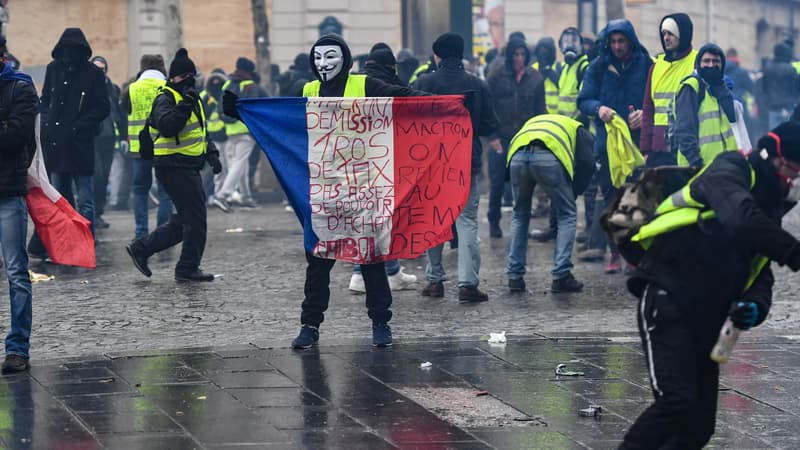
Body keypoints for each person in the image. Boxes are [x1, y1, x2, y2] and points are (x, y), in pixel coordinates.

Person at [224, 34, 427, 349]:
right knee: (318, 262)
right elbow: (279, 115)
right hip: (325, 192)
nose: (323, 65)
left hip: (362, 189)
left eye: (330, 57)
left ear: (344, 59)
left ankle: (380, 324)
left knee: (371, 260)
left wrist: (442, 101)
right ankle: (310, 326)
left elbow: (401, 99)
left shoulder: (364, 85)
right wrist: (240, 110)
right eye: (318, 58)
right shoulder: (308, 90)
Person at [619, 121, 800, 449]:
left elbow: (760, 273)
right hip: (667, 296)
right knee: (676, 402)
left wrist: (755, 306)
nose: (794, 180)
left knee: (699, 427)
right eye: (793, 169)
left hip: (708, 315)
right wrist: (794, 252)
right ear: (773, 155)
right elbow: (741, 219)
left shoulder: (768, 206)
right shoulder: (730, 169)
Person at [414, 32, 500, 303]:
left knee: (434, 219)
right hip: (465, 161)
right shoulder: (477, 84)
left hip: (432, 162)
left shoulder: (423, 83)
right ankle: (467, 284)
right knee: (466, 221)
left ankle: (434, 280)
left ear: (438, 56)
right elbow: (489, 124)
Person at [126, 48, 222, 282]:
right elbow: (167, 125)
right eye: (183, 76)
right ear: (172, 77)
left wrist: (211, 153)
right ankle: (187, 268)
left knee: (185, 220)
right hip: (172, 166)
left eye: (192, 76)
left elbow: (201, 130)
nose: (188, 80)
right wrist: (184, 105)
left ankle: (142, 248)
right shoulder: (166, 97)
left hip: (188, 165)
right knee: (196, 219)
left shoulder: (192, 97)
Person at [577, 18, 652, 273]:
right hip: (606, 144)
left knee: (635, 198)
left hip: (637, 144)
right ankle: (613, 252)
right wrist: (599, 109)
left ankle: (633, 254)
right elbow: (584, 100)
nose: (618, 46)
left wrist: (644, 114)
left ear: (631, 40)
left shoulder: (646, 65)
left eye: (622, 41)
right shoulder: (598, 67)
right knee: (611, 197)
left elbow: (656, 97)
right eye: (614, 41)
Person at [349, 43, 417, 294]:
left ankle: (388, 271)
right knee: (382, 219)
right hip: (387, 160)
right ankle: (362, 274)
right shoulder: (391, 85)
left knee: (368, 218)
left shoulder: (353, 83)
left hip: (356, 160)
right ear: (391, 65)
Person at [505, 114, 594, 293]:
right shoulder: (579, 129)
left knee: (520, 214)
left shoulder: (537, 120)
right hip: (548, 157)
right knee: (567, 215)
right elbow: (587, 163)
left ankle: (514, 276)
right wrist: (573, 192)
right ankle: (561, 276)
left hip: (517, 155)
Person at [39, 28, 110, 237]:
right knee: (59, 198)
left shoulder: (93, 74)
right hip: (56, 143)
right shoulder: (53, 69)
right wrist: (46, 123)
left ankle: (86, 240)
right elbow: (45, 100)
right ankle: (64, 241)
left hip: (79, 144)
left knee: (84, 198)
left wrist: (79, 125)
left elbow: (103, 107)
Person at [0, 36, 37, 372]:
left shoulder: (21, 89)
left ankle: (17, 348)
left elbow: (15, 138)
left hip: (8, 191)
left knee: (16, 271)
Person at [486, 38, 547, 238]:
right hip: (500, 138)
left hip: (525, 139)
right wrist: (492, 137)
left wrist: (540, 137)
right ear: (510, 55)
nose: (519, 59)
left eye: (522, 54)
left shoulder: (535, 79)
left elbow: (540, 111)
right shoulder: (496, 76)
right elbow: (488, 108)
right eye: (516, 54)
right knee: (497, 183)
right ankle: (493, 222)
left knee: (524, 184)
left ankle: (521, 224)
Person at [121, 54, 175, 239]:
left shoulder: (132, 89)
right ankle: (162, 234)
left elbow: (125, 111)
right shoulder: (168, 87)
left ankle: (140, 232)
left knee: (140, 190)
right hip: (163, 146)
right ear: (162, 67)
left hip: (139, 148)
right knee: (165, 191)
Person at [640, 13, 697, 170]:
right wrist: (645, 148)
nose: (666, 38)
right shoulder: (656, 67)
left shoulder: (697, 62)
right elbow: (648, 109)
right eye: (664, 33)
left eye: (670, 33)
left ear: (683, 34)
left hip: (687, 146)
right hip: (659, 147)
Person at [671, 43, 738, 167]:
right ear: (698, 64)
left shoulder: (722, 90)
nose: (711, 65)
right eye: (706, 61)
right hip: (696, 167)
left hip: (722, 166)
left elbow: (732, 122)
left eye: (716, 61)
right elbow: (684, 130)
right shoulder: (691, 87)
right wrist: (695, 162)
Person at [212, 57, 261, 211]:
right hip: (245, 131)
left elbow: (221, 106)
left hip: (230, 130)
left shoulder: (228, 83)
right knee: (239, 164)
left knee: (242, 165)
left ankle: (246, 197)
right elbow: (252, 109)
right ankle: (222, 195)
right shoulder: (250, 85)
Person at [90, 55, 126, 230]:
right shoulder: (86, 86)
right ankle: (90, 212)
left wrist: (123, 136)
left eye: (102, 69)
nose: (99, 72)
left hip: (108, 138)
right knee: (95, 175)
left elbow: (119, 115)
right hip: (91, 138)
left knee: (103, 176)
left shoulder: (112, 88)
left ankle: (98, 212)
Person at [760, 43, 799, 129]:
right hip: (789, 106)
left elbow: (764, 88)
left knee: (774, 133)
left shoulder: (768, 69)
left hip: (773, 107)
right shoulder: (791, 69)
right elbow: (796, 88)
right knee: (789, 133)